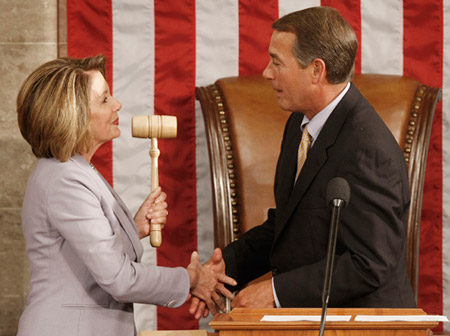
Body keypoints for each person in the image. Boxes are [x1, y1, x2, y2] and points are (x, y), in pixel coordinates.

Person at [190, 6, 416, 318]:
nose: (266, 72)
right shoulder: (301, 122)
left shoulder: (368, 150)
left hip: (363, 325)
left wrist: (274, 292)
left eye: (277, 62)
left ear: (316, 71)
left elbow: (370, 263)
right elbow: (290, 224)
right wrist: (227, 266)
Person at [16, 55, 236, 336]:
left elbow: (82, 258)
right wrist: (191, 278)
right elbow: (118, 278)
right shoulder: (65, 179)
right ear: (74, 114)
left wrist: (135, 228)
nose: (117, 104)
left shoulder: (74, 171)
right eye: (105, 99)